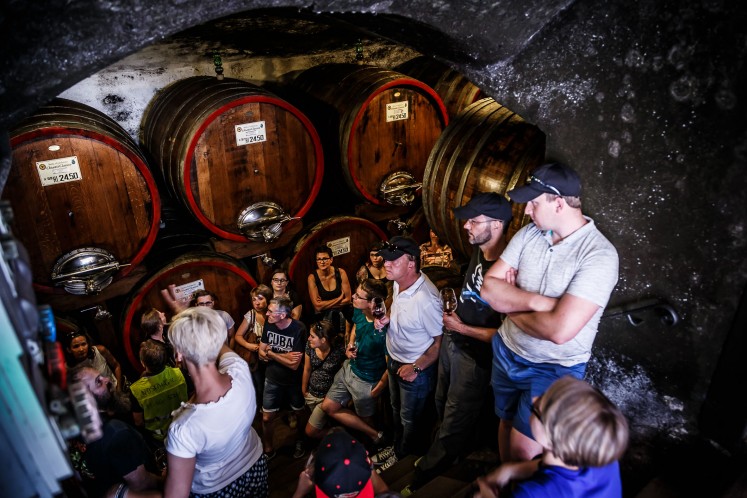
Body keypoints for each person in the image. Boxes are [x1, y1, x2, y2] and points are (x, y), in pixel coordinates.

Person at [481, 162, 619, 462]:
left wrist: (511, 306)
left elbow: (560, 331)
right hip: (507, 350)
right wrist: (537, 303)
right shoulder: (530, 234)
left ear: (558, 203)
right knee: (504, 420)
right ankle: (506, 487)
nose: (527, 211)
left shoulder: (599, 255)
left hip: (554, 368)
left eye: (534, 203)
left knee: (523, 451)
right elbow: (488, 290)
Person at [409, 193, 513, 491]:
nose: (466, 226)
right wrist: (456, 318)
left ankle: (424, 478)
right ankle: (450, 455)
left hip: (475, 357)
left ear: (496, 224)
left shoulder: (510, 273)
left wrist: (461, 327)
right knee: (441, 402)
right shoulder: (480, 251)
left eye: (474, 221)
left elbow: (505, 336)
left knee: (455, 418)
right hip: (455, 341)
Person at [164, 306, 267, 498]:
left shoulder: (184, 428)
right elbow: (221, 345)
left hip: (216, 489)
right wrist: (191, 317)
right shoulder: (240, 370)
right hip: (255, 466)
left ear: (178, 355)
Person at [473, 377, 628, 498]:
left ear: (549, 439)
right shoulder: (604, 460)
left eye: (537, 408)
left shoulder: (531, 493)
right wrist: (510, 470)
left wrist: (486, 494)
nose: (533, 399)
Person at [374, 236, 443, 469]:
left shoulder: (427, 300)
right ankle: (395, 446)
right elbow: (397, 308)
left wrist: (415, 368)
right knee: (395, 409)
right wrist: (386, 320)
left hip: (415, 370)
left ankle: (403, 456)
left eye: (393, 260)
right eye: (386, 259)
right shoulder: (398, 281)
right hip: (393, 359)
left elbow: (438, 343)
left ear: (411, 263)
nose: (386, 264)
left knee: (410, 418)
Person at [70, 366, 163, 498]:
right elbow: (142, 485)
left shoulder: (72, 431)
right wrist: (167, 479)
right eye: (98, 382)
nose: (107, 379)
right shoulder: (116, 433)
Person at [321, 278, 389, 446]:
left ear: (372, 303)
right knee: (328, 407)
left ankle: (377, 442)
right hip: (349, 369)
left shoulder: (383, 330)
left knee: (367, 419)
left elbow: (392, 364)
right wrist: (350, 344)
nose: (352, 296)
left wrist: (378, 388)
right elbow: (356, 327)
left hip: (366, 381)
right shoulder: (359, 311)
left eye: (358, 296)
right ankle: (373, 435)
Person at [259, 296, 308, 460]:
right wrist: (284, 355)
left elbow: (294, 365)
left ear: (282, 315)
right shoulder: (269, 325)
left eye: (271, 312)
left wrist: (272, 353)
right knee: (266, 417)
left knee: (299, 413)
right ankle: (268, 448)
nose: (267, 314)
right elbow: (261, 353)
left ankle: (301, 441)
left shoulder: (298, 328)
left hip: (294, 381)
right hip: (272, 378)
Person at [291, 428, 390, 498]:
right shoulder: (364, 475)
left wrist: (299, 493)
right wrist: (365, 465)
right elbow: (384, 491)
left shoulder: (323, 483)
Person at [129, 340, 188, 445]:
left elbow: (138, 421)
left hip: (159, 438)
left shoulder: (136, 390)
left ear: (143, 363)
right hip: (185, 427)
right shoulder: (180, 375)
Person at [302, 320, 346, 439]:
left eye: (312, 336)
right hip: (311, 394)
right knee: (322, 425)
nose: (309, 339)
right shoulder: (310, 347)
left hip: (326, 398)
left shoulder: (338, 351)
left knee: (311, 432)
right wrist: (304, 391)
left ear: (323, 340)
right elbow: (307, 369)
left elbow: (345, 371)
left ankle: (342, 435)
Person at [307, 245, 352, 336]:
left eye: (325, 259)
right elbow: (317, 307)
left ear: (331, 259)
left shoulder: (340, 272)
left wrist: (324, 304)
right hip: (323, 318)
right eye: (319, 259)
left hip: (342, 314)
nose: (322, 262)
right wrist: (339, 298)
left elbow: (348, 300)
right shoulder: (312, 277)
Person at [234, 284, 273, 370]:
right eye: (254, 300)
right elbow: (238, 336)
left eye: (260, 299)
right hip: (255, 360)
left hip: (273, 357)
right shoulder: (251, 314)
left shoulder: (273, 314)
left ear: (268, 299)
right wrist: (248, 345)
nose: (257, 303)